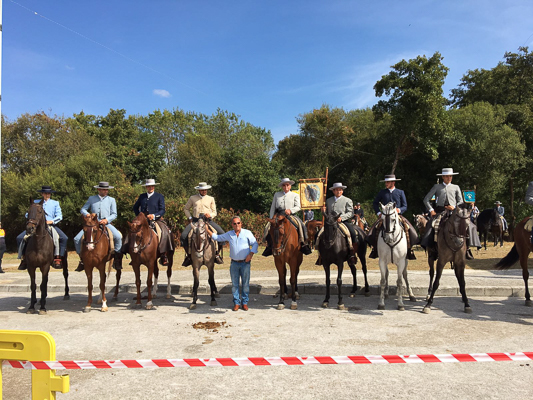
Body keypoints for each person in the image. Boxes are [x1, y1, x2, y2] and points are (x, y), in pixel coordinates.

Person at [421, 168, 475, 260]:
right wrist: (431, 210)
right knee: (431, 225)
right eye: (447, 176)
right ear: (443, 177)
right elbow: (426, 199)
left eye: (450, 176)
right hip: (440, 211)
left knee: (468, 225)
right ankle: (432, 248)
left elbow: (460, 201)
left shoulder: (456, 187)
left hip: (455, 212)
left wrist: (454, 207)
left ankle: (467, 248)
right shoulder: (436, 187)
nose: (449, 178)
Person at [207, 216, 258, 311]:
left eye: (238, 223)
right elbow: (217, 237)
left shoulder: (247, 233)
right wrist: (206, 229)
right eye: (234, 223)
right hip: (234, 263)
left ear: (241, 223)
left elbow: (255, 243)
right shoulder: (229, 234)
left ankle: (245, 302)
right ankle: (236, 302)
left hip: (245, 263)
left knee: (245, 284)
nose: (237, 225)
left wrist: (251, 254)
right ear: (232, 225)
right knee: (234, 284)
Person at [366, 175, 418, 260]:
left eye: (388, 182)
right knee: (375, 228)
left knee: (408, 227)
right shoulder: (382, 192)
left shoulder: (400, 192)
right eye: (386, 182)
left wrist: (399, 210)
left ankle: (409, 249)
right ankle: (375, 249)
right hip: (385, 215)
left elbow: (405, 206)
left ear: (393, 182)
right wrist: (379, 212)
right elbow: (375, 203)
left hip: (397, 215)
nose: (386, 184)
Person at [74, 182, 123, 271]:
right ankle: (82, 259)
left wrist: (106, 220)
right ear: (99, 189)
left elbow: (114, 214)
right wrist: (88, 214)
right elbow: (83, 209)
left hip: (106, 223)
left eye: (106, 189)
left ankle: (117, 260)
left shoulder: (111, 200)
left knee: (118, 237)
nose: (105, 191)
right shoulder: (91, 198)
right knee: (77, 239)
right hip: (92, 224)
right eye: (104, 189)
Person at [17, 186, 68, 270]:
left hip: (50, 225)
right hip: (35, 225)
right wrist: (31, 220)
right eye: (45, 193)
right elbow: (27, 214)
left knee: (63, 238)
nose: (47, 195)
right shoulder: (35, 202)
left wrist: (51, 221)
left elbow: (59, 216)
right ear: (42, 193)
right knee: (19, 238)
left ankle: (57, 258)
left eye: (49, 193)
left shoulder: (55, 203)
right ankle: (24, 258)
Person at [262, 178, 312, 256]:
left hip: (290, 215)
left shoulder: (295, 195)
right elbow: (272, 207)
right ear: (282, 186)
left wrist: (291, 210)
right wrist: (271, 218)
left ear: (290, 186)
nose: (286, 187)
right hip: (278, 216)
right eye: (284, 185)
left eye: (287, 185)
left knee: (301, 225)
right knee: (267, 227)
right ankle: (269, 245)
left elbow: (298, 207)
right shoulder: (277, 194)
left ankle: (303, 243)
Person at [130, 179, 173, 265]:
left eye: (152, 186)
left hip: (156, 220)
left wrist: (154, 215)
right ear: (146, 187)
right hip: (142, 221)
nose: (151, 188)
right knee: (132, 231)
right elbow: (135, 207)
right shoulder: (142, 196)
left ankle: (163, 254)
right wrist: (140, 216)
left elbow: (162, 210)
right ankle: (130, 253)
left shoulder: (159, 196)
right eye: (149, 186)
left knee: (164, 232)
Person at [181, 182, 224, 266]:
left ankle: (217, 254)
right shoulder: (192, 198)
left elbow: (214, 212)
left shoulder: (211, 198)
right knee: (183, 236)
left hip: (208, 221)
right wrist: (190, 217)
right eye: (202, 190)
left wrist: (210, 215)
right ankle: (189, 256)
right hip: (195, 221)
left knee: (221, 233)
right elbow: (186, 208)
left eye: (205, 190)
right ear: (199, 190)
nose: (204, 191)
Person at [316, 182, 357, 266]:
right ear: (333, 191)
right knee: (318, 234)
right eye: (337, 190)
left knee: (351, 233)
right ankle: (320, 255)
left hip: (342, 222)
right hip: (330, 223)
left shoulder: (347, 200)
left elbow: (351, 212)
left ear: (342, 191)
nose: (339, 191)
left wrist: (342, 218)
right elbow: (326, 213)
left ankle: (351, 253)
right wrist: (323, 211)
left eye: (340, 190)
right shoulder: (328, 200)